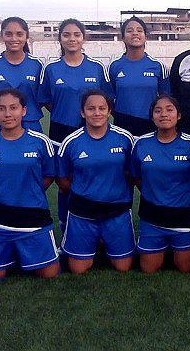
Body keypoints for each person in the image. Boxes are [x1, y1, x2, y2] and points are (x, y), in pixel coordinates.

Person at [0, 88, 60, 283]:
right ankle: (10, 254)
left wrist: (29, 192)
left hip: (33, 217)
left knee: (49, 274)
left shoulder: (41, 142)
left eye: (13, 108)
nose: (8, 114)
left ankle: (21, 253)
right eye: (1, 109)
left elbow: (48, 175)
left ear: (24, 111)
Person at [39, 18, 113, 227]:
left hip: (92, 132)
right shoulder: (51, 69)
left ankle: (99, 225)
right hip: (60, 132)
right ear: (60, 38)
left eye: (76, 34)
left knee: (94, 178)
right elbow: (45, 100)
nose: (72, 39)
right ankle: (66, 225)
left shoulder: (97, 67)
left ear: (83, 38)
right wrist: (65, 112)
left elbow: (107, 99)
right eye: (67, 35)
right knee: (65, 183)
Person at [57, 90, 135, 274]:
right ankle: (92, 242)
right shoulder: (71, 142)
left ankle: (105, 241)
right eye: (91, 108)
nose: (97, 113)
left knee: (123, 268)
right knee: (78, 269)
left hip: (116, 210)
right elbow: (62, 179)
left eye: (102, 108)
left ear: (109, 112)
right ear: (83, 112)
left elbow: (131, 174)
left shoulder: (125, 138)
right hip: (82, 212)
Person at [132, 95, 190, 274]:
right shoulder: (141, 144)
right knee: (149, 269)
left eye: (169, 110)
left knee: (185, 268)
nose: (164, 114)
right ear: (152, 116)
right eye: (158, 110)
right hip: (152, 215)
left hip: (184, 215)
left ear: (179, 115)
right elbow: (137, 177)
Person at [0, 17, 44, 134]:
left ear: (26, 36)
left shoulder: (38, 65)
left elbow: (42, 98)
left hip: (30, 124)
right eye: (8, 34)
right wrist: (2, 113)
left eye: (19, 34)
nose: (14, 39)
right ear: (2, 36)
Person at [110, 16, 170, 136]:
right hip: (122, 123)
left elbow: (166, 99)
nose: (135, 33)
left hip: (150, 124)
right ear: (123, 37)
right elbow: (109, 99)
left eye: (139, 30)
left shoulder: (158, 66)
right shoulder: (114, 66)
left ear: (145, 36)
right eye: (130, 30)